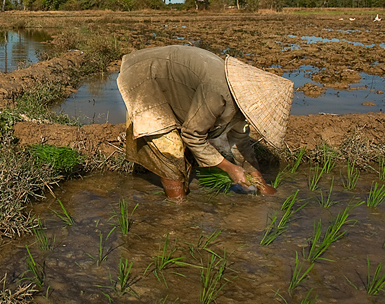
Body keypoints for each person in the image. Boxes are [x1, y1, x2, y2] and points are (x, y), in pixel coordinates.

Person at [116, 44, 293, 200]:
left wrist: (259, 182)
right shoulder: (219, 94)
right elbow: (192, 135)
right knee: (170, 153)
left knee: (188, 148)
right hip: (146, 77)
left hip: (174, 81)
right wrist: (230, 168)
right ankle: (177, 210)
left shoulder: (244, 103)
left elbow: (241, 142)